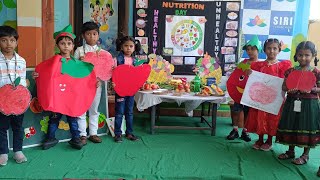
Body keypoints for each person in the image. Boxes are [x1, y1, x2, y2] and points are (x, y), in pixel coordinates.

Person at [34, 25, 84, 150]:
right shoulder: (52, 62)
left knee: (73, 119)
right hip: (57, 98)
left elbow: (83, 78)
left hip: (71, 98)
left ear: (73, 46)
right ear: (57, 46)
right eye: (62, 43)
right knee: (54, 119)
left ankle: (76, 138)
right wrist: (37, 75)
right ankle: (50, 138)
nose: (66, 46)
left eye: (68, 43)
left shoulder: (76, 64)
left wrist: (94, 83)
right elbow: (45, 73)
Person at [276, 41, 320, 165]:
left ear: (313, 55)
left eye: (307, 55)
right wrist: (289, 88)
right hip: (292, 102)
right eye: (300, 55)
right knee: (292, 124)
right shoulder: (290, 71)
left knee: (307, 127)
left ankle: (305, 155)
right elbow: (284, 86)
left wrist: (312, 89)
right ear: (296, 55)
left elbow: (319, 88)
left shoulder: (316, 72)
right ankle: (290, 151)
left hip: (309, 105)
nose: (303, 58)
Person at [245, 38, 292, 151]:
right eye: (269, 48)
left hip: (274, 99)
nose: (272, 51)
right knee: (259, 117)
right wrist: (250, 73)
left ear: (279, 50)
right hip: (260, 98)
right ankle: (260, 139)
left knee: (272, 119)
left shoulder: (283, 66)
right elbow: (253, 81)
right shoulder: (257, 65)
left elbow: (287, 81)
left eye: (274, 48)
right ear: (264, 50)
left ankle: (269, 140)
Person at [74, 21, 113, 145]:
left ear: (98, 35)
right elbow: (74, 70)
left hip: (96, 85)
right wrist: (80, 63)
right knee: (81, 109)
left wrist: (102, 79)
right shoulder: (79, 51)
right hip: (81, 86)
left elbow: (105, 70)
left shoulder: (103, 53)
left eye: (94, 34)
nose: (92, 37)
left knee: (94, 109)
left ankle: (93, 133)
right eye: (89, 34)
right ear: (83, 36)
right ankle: (82, 135)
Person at [0, 26, 27, 166]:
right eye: (4, 40)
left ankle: (18, 151)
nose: (8, 44)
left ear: (16, 42)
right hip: (2, 102)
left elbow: (22, 80)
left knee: (18, 127)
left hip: (18, 103)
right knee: (1, 127)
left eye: (12, 40)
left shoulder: (21, 61)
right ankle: (3, 152)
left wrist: (24, 85)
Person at [227, 35, 261, 142]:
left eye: (252, 49)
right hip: (240, 92)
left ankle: (245, 131)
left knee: (247, 112)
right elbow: (236, 77)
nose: (250, 51)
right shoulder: (243, 63)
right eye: (248, 49)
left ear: (258, 49)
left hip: (251, 93)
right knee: (237, 110)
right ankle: (235, 130)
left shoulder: (261, 65)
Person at [113, 36, 141, 143]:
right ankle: (118, 133)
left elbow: (139, 74)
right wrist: (114, 83)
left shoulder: (136, 61)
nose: (128, 48)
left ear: (134, 48)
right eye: (126, 46)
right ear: (121, 47)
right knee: (119, 112)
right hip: (120, 90)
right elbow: (114, 73)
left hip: (131, 90)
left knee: (129, 112)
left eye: (131, 46)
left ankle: (129, 133)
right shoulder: (117, 60)